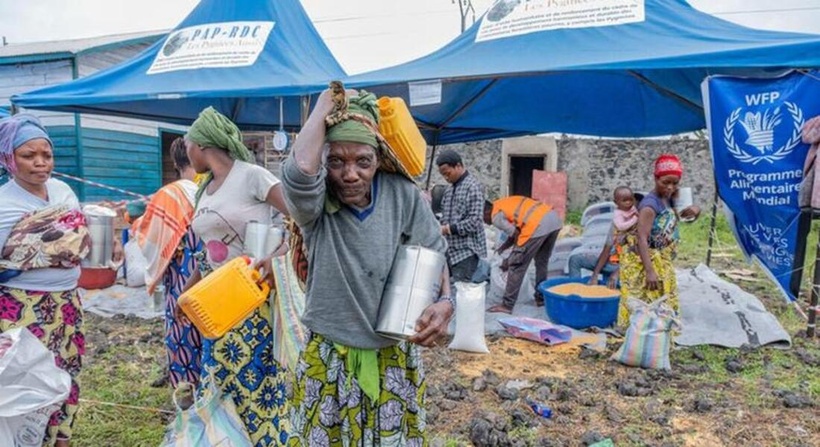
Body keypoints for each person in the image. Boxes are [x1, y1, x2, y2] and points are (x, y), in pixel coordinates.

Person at [281, 85, 452, 445]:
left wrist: (445, 302)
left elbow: (433, 250)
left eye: (363, 161)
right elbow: (297, 176)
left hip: (392, 356)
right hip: (329, 356)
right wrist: (323, 108)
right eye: (337, 161)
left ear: (378, 159)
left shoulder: (402, 195)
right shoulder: (315, 205)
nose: (350, 174)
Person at [182, 107, 290, 446]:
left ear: (200, 144)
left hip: (252, 297)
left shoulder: (253, 176)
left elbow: (303, 218)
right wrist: (192, 283)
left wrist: (278, 258)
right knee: (220, 378)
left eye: (187, 145)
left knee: (255, 380)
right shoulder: (205, 189)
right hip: (215, 301)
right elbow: (209, 245)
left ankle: (266, 439)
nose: (186, 152)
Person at [0, 114, 94, 447]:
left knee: (66, 370)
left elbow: (79, 240)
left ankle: (61, 438)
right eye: (28, 156)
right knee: (26, 378)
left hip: (67, 303)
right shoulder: (5, 204)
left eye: (47, 155)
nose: (40, 163)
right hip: (21, 307)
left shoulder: (63, 192)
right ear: (8, 159)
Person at [131, 137, 202, 388]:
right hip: (211, 269)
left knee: (183, 329)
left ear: (176, 163)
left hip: (182, 272)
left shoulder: (169, 193)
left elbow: (151, 236)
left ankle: (186, 391)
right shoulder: (214, 189)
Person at [618, 154, 700, 325]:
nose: (670, 187)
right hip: (642, 258)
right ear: (656, 178)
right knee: (640, 299)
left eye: (675, 183)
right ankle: (637, 337)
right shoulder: (650, 204)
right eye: (665, 182)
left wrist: (695, 210)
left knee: (661, 299)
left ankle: (657, 335)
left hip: (662, 256)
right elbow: (641, 237)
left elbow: (687, 216)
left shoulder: (671, 196)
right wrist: (649, 271)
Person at [485, 195, 563, 314]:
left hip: (536, 225)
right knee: (541, 262)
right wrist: (504, 247)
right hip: (553, 220)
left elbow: (516, 234)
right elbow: (516, 231)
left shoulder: (495, 216)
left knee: (516, 266)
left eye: (482, 218)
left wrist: (510, 259)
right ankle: (541, 298)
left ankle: (507, 305)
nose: (486, 222)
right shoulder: (502, 204)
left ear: (485, 211)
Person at [436, 149, 487, 282]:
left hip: (466, 252)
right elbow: (444, 217)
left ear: (458, 165)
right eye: (443, 176)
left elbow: (474, 221)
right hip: (450, 250)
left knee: (463, 291)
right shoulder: (449, 190)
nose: (446, 178)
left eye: (448, 173)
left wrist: (447, 229)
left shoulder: (473, 187)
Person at [580, 186, 639, 287]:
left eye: (630, 200)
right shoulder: (618, 220)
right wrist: (595, 274)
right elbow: (607, 248)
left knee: (616, 283)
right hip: (615, 261)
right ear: (616, 203)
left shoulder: (639, 220)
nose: (628, 203)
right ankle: (575, 293)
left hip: (631, 265)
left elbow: (638, 255)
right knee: (575, 259)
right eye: (624, 201)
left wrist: (616, 273)